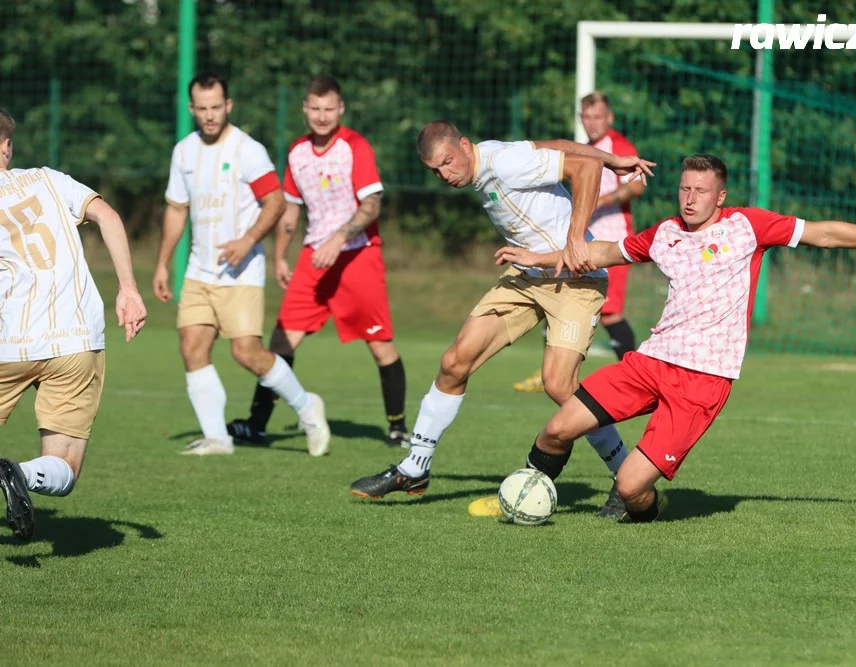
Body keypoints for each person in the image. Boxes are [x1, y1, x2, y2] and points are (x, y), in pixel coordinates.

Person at [496, 153, 856, 522]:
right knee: (556, 430)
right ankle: (526, 497)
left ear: (721, 196)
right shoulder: (665, 233)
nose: (690, 199)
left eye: (701, 191)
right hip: (651, 362)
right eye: (684, 188)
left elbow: (824, 235)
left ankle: (640, 509)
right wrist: (537, 255)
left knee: (632, 487)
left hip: (704, 379)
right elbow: (600, 252)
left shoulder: (747, 226)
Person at [349, 121, 655, 518]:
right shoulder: (488, 160)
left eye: (447, 162)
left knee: (560, 385)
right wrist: (613, 158)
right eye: (435, 171)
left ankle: (625, 477)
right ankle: (414, 468)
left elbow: (584, 169)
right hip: (527, 276)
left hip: (575, 279)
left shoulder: (503, 162)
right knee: (455, 362)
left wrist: (577, 237)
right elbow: (558, 144)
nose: (445, 175)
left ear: (463, 144)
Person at [226, 76, 409, 448]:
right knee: (281, 342)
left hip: (357, 253)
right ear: (305, 109)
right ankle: (256, 425)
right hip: (313, 257)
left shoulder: (355, 146)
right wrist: (280, 255)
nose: (322, 116)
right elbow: (291, 208)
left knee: (380, 345)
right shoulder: (297, 151)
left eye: (329, 109)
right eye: (315, 108)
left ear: (341, 108)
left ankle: (397, 428)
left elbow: (372, 204)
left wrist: (340, 238)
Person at [152, 73, 330, 456]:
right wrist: (163, 264)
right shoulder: (183, 151)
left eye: (217, 107)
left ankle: (307, 407)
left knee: (246, 352)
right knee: (192, 345)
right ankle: (217, 438)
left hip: (242, 271)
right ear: (191, 109)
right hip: (200, 270)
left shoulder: (247, 150)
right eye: (202, 109)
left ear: (228, 105)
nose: (210, 115)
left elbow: (276, 202)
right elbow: (176, 209)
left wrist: (247, 241)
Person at [0, 108, 147, 541]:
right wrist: (128, 289)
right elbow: (110, 218)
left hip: (9, 341)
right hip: (75, 336)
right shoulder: (49, 178)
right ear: (7, 145)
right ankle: (20, 474)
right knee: (64, 465)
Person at [514, 92, 643, 392]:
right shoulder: (582, 150)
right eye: (587, 117)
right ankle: (551, 371)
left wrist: (598, 201)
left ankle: (634, 375)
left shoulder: (618, 147)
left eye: (598, 117)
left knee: (611, 313)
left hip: (613, 241)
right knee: (558, 296)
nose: (593, 123)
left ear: (609, 118)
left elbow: (636, 186)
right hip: (582, 241)